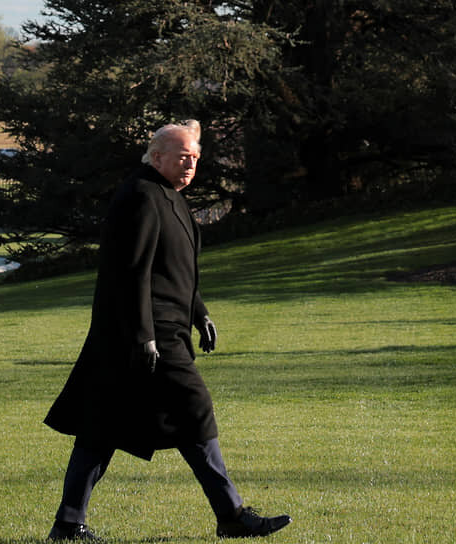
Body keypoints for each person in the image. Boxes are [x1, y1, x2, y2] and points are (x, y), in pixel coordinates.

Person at [43, 123, 291, 540]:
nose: (191, 163)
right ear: (155, 156)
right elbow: (133, 273)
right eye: (182, 156)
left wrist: (200, 313)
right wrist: (144, 335)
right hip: (145, 333)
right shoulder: (141, 196)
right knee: (194, 409)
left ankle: (68, 524)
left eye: (195, 156)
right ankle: (231, 515)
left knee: (102, 427)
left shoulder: (168, 195)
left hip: (162, 329)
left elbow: (176, 270)